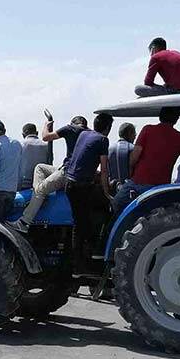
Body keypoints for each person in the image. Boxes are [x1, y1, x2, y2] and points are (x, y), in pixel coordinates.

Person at [113, 108, 180, 214]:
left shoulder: (147, 130)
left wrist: (130, 174)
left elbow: (134, 158)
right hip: (160, 188)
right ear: (176, 119)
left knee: (116, 203)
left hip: (138, 183)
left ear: (160, 117)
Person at [13, 114, 88, 232]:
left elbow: (46, 136)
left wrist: (46, 125)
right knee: (40, 167)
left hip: (67, 171)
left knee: (40, 190)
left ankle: (24, 221)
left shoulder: (70, 129)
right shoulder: (91, 135)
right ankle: (38, 195)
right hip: (75, 171)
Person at [64, 114, 113, 270]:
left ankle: (90, 249)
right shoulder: (103, 140)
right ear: (108, 128)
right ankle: (80, 261)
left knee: (85, 219)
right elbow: (104, 169)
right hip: (80, 186)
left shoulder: (85, 133)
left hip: (71, 182)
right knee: (82, 222)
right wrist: (107, 192)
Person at [18, 123, 51, 191]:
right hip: (41, 184)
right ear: (37, 133)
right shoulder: (46, 146)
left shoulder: (20, 145)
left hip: (23, 185)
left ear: (23, 134)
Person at [107, 122, 136, 188]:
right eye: (134, 134)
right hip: (129, 189)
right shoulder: (133, 149)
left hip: (112, 188)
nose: (135, 137)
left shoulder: (109, 149)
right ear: (130, 134)